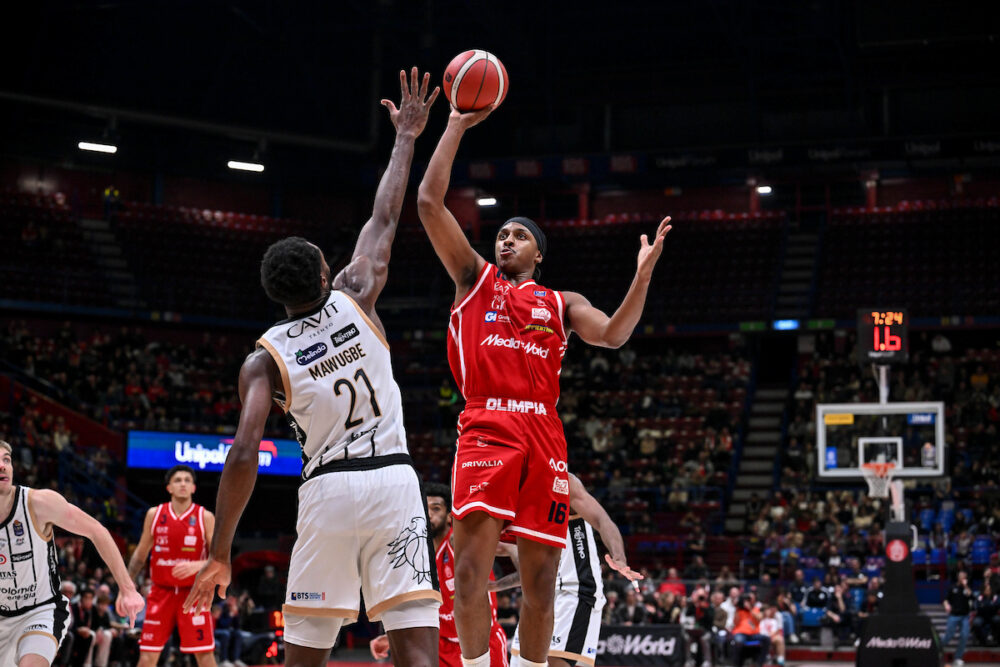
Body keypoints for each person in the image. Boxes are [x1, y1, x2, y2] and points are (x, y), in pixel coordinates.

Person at [184, 68, 442, 667]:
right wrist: (405, 136)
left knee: (304, 656)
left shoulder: (262, 359)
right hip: (396, 485)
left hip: (327, 489)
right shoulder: (356, 291)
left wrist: (221, 548)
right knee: (419, 655)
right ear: (326, 274)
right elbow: (384, 217)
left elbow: (244, 452)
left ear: (278, 296)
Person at [417, 102, 670, 667]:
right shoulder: (473, 278)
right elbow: (429, 204)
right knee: (468, 574)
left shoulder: (561, 302)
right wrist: (456, 125)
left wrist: (643, 275)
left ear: (538, 252)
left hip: (543, 431)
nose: (505, 240)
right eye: (501, 234)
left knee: (542, 581)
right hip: (488, 424)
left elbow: (613, 334)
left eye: (518, 236)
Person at [0, 440, 143, 666]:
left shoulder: (38, 503)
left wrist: (127, 589)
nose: (3, 466)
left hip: (40, 610)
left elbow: (97, 530)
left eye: (6, 460)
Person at [500, 474, 640, 667]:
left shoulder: (563, 482)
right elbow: (528, 568)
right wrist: (491, 585)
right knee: (518, 661)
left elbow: (602, 520)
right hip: (542, 595)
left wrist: (619, 558)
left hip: (575, 592)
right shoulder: (515, 493)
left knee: (553, 661)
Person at [369, 482, 507, 667]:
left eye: (436, 509)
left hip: (481, 642)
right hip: (441, 645)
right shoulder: (417, 554)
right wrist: (391, 635)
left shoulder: (457, 543)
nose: (429, 514)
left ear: (450, 517)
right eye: (424, 509)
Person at [127, 464, 217, 665]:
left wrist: (198, 566)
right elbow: (140, 555)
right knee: (148, 655)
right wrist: (125, 585)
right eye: (178, 480)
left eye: (187, 480)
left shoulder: (205, 517)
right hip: (161, 593)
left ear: (194, 487)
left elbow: (220, 559)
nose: (183, 484)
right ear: (169, 488)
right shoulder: (155, 514)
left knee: (204, 655)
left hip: (193, 594)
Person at [942, 570, 974, 666]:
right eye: (961, 576)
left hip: (965, 616)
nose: (963, 578)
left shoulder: (967, 588)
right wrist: (946, 605)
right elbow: (945, 600)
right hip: (953, 616)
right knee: (949, 635)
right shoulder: (952, 587)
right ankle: (937, 649)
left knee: (964, 635)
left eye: (964, 576)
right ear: (958, 577)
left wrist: (966, 586)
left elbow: (972, 597)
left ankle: (958, 657)